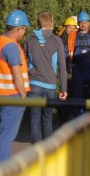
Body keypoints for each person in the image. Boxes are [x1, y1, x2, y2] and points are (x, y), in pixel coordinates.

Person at [0, 10, 30, 165]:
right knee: (6, 135)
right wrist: (23, 96)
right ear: (19, 29)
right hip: (12, 96)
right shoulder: (11, 47)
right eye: (24, 29)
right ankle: (1, 170)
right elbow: (16, 74)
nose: (24, 33)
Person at [23, 11, 68, 142]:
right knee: (47, 119)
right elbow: (62, 66)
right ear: (51, 23)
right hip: (50, 85)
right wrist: (64, 88)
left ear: (38, 23)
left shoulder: (29, 40)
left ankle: (35, 149)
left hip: (34, 83)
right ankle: (47, 150)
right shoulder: (57, 41)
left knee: (34, 118)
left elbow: (23, 61)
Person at [66, 11, 90, 117]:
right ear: (78, 23)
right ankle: (76, 116)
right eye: (81, 22)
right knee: (76, 94)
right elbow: (68, 51)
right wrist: (69, 65)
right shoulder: (72, 35)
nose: (83, 24)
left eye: (85, 22)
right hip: (77, 69)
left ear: (89, 23)